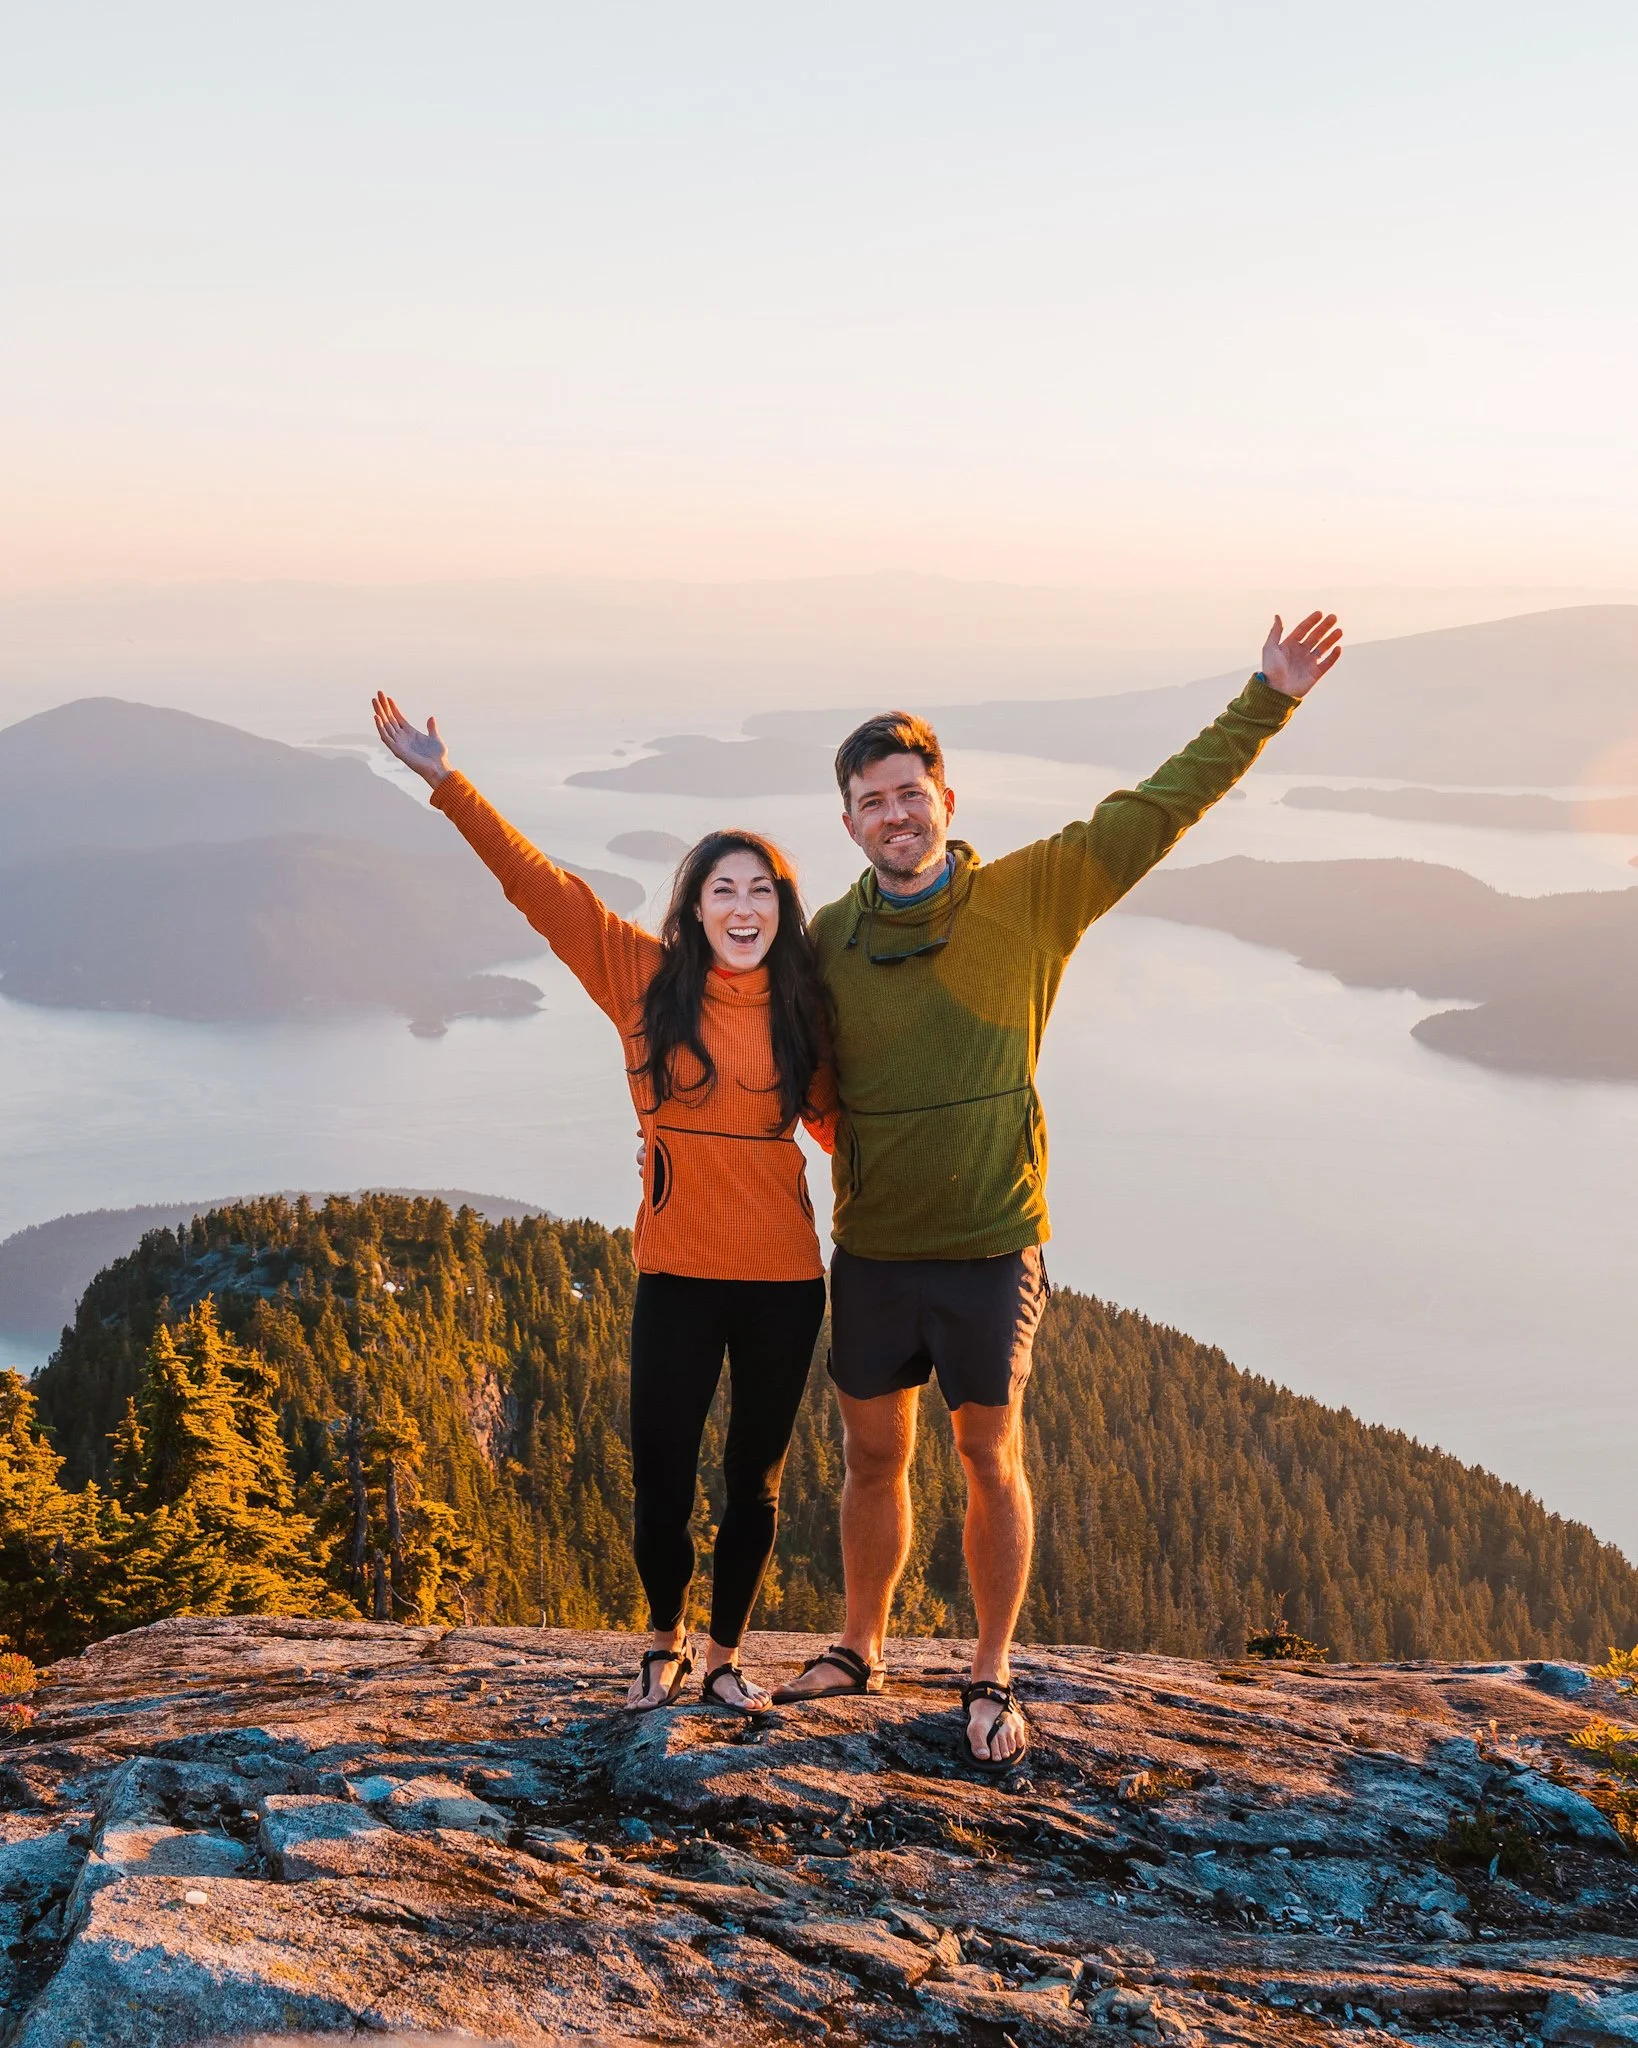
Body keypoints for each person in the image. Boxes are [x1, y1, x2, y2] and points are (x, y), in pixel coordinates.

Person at [771, 614, 1344, 1769]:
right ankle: (860, 1643)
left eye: (909, 791)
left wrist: (1268, 695)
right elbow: (765, 1058)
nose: (894, 813)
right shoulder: (824, 939)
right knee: (870, 1459)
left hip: (990, 1241)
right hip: (877, 1243)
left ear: (945, 797)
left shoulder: (1030, 896)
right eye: (871, 801)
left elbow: (1159, 806)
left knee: (991, 1457)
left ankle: (990, 1670)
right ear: (847, 823)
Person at [372, 693, 835, 1714]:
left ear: (782, 909)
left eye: (762, 890)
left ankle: (724, 1655)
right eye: (725, 889)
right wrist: (447, 780)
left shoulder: (803, 1008)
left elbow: (852, 1128)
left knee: (752, 1484)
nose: (744, 906)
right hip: (676, 1277)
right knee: (663, 1477)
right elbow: (545, 892)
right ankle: (662, 1644)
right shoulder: (644, 978)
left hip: (784, 1287)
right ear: (696, 905)